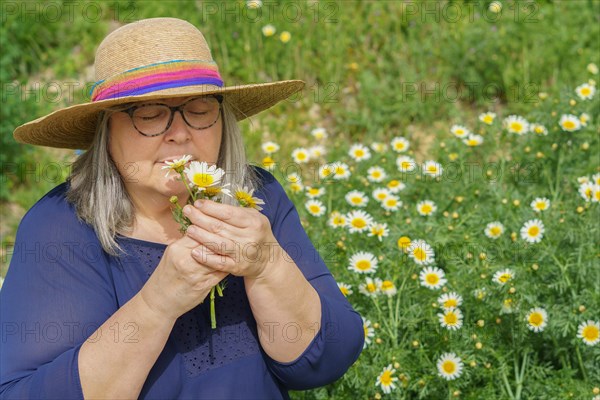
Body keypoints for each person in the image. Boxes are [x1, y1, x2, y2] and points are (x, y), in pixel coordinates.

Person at [0, 17, 364, 399]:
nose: (179, 132)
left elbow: (328, 358)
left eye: (199, 108)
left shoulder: (255, 196)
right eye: (149, 113)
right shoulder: (61, 227)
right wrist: (156, 305)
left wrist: (268, 265)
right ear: (105, 132)